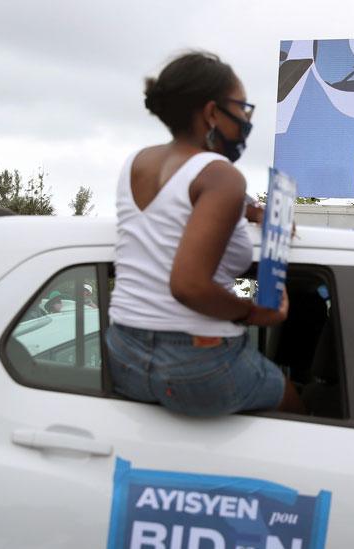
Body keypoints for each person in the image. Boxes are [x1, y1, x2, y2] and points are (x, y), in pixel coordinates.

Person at [105, 51, 305, 417]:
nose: (246, 120)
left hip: (124, 352)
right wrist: (254, 314)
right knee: (296, 405)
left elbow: (179, 197)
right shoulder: (220, 175)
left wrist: (251, 208)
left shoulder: (137, 162)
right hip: (199, 366)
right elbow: (189, 286)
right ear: (212, 113)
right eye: (242, 108)